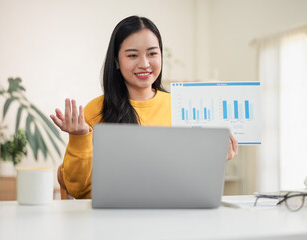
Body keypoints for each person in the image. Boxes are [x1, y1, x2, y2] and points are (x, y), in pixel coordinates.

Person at [50, 15, 238, 199]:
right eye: (132, 55)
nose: (144, 64)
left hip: (171, 217)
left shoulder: (181, 108)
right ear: (116, 61)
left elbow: (189, 182)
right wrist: (79, 137)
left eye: (152, 53)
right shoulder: (95, 111)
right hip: (113, 221)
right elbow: (79, 191)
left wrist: (214, 160)